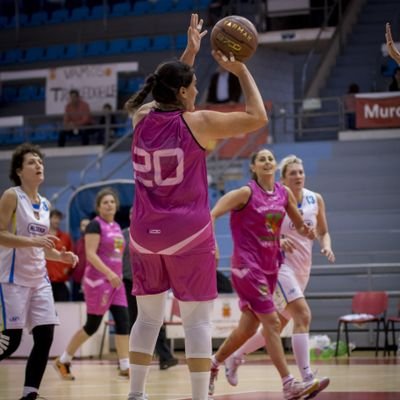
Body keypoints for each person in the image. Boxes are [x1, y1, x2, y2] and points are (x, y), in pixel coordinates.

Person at [124, 13, 268, 400]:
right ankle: (199, 398)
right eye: (194, 85)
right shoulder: (199, 123)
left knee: (148, 317)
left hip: (142, 234)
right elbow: (258, 117)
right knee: (197, 322)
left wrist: (189, 52)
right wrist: (240, 69)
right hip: (187, 233)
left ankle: (136, 395)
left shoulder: (140, 117)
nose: (197, 89)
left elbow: (165, 90)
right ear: (186, 92)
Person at [218, 154, 335, 399]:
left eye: (301, 172)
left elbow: (316, 231)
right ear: (282, 176)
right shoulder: (257, 194)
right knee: (299, 315)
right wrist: (280, 240)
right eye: (292, 173)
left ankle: (230, 357)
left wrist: (318, 238)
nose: (298, 176)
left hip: (294, 268)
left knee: (265, 326)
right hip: (272, 267)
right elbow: (262, 227)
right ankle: (302, 379)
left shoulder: (308, 199)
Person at [0, 143, 78, 400]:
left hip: (39, 279)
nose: (39, 165)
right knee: (9, 342)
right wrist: (35, 242)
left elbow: (42, 248)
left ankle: (29, 394)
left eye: (40, 162)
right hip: (12, 279)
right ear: (19, 171)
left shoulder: (45, 204)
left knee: (45, 337)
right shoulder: (12, 196)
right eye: (32, 162)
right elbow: (1, 235)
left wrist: (61, 256)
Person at [54, 188, 130, 380]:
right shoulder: (95, 226)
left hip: (116, 282)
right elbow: (91, 254)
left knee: (123, 321)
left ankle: (125, 365)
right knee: (92, 325)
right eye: (105, 202)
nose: (109, 205)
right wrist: (109, 273)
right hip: (98, 282)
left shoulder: (116, 227)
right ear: (98, 207)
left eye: (112, 201)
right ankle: (63, 360)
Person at [122, 210, 178, 370]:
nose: (136, 216)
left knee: (154, 319)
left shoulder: (151, 232)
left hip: (150, 281)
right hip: (129, 282)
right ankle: (134, 358)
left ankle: (165, 356)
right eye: (132, 214)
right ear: (129, 216)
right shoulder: (123, 235)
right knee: (134, 320)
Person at [46, 209, 74, 301]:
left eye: (59, 218)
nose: (57, 221)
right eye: (54, 218)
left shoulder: (66, 237)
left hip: (61, 281)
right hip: (45, 281)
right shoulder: (43, 237)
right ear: (48, 219)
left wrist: (67, 268)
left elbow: (71, 253)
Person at [71, 217, 90, 301]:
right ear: (80, 228)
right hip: (78, 283)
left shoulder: (99, 243)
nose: (85, 228)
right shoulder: (77, 244)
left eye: (88, 225)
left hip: (92, 282)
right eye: (83, 225)